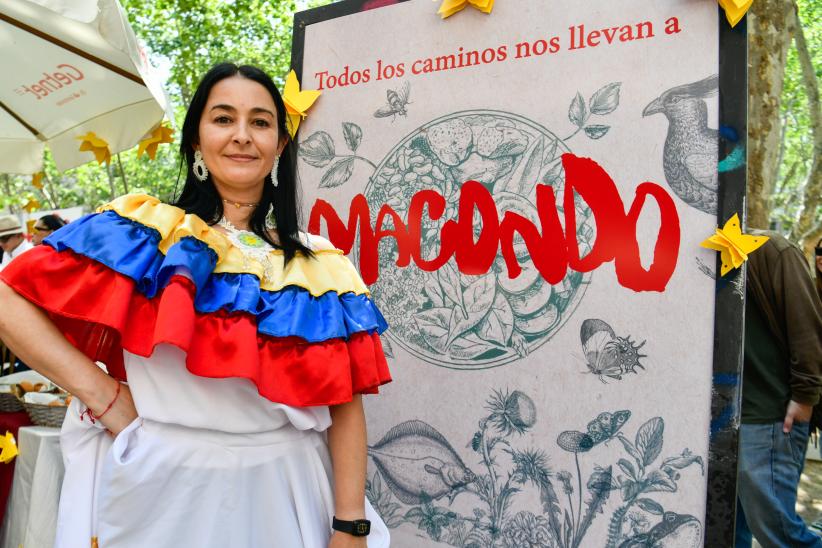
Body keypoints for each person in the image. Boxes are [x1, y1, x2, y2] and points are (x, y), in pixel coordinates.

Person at [0, 63, 392, 548]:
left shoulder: (320, 264)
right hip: (162, 487)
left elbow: (344, 402)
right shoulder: (143, 233)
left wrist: (350, 524)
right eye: (223, 119)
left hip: (290, 491)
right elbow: (7, 299)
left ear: (281, 146)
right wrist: (105, 397)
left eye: (261, 122)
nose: (242, 136)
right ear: (195, 140)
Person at [735, 231, 822, 548]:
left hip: (768, 415)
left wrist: (804, 396)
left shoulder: (773, 249)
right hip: (721, 417)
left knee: (779, 534)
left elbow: (807, 330)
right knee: (727, 527)